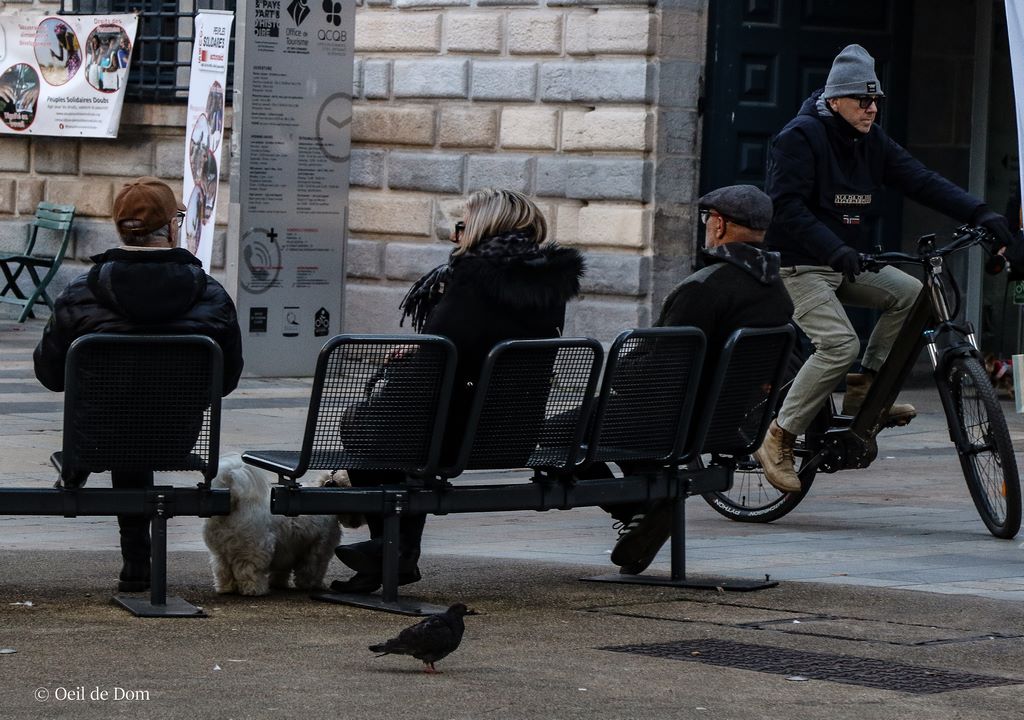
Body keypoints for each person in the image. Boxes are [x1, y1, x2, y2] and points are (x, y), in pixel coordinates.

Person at [756, 44, 1020, 493]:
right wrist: (836, 249)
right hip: (798, 266)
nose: (872, 109)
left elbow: (921, 180)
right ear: (835, 100)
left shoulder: (870, 140)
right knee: (839, 344)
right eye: (862, 100)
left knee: (912, 294)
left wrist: (981, 213)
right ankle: (779, 436)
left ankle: (867, 391)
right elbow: (786, 209)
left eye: (876, 100)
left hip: (844, 261)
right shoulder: (799, 137)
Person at [331, 188, 585, 594]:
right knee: (398, 435)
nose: (456, 233)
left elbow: (440, 355)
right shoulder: (549, 284)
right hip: (511, 428)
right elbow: (473, 345)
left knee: (365, 424)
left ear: (484, 225)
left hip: (459, 431)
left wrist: (411, 359)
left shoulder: (474, 279)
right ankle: (391, 553)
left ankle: (395, 550)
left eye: (462, 224)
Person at [33, 177, 244, 593]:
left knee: (121, 429)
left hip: (97, 439)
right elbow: (227, 380)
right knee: (140, 428)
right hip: (175, 438)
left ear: (120, 228)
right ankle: (137, 561)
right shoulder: (211, 296)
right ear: (170, 229)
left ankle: (134, 558)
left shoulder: (80, 294)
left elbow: (50, 376)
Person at [595, 185, 795, 575]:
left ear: (718, 225)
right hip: (727, 424)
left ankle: (640, 510)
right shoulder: (777, 293)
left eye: (707, 220)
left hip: (673, 422)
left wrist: (621, 372)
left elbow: (662, 373)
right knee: (618, 422)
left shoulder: (702, 288)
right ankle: (650, 511)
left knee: (557, 431)